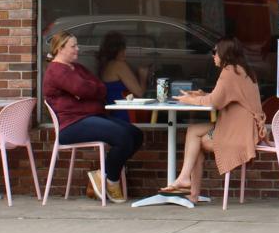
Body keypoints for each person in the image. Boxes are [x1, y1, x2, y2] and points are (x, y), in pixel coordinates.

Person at [159, 36, 265, 202]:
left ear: (225, 53)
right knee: (193, 131)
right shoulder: (242, 69)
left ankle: (186, 183)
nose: (213, 55)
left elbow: (214, 103)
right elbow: (222, 97)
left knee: (197, 143)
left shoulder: (230, 72)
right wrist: (201, 95)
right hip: (243, 126)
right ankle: (188, 186)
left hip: (239, 132)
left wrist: (189, 100)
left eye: (215, 52)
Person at [43, 31, 143, 203]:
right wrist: (87, 92)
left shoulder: (77, 68)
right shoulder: (57, 71)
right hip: (71, 125)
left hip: (90, 117)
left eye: (77, 45)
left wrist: (87, 92)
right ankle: (111, 180)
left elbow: (100, 87)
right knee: (123, 136)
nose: (77, 49)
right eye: (73, 46)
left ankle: (102, 175)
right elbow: (84, 89)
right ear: (60, 49)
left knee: (136, 134)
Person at [96, 30, 147, 124]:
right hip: (126, 113)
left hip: (113, 113)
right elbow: (140, 93)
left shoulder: (105, 66)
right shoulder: (119, 65)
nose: (124, 53)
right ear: (114, 51)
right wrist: (143, 76)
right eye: (121, 50)